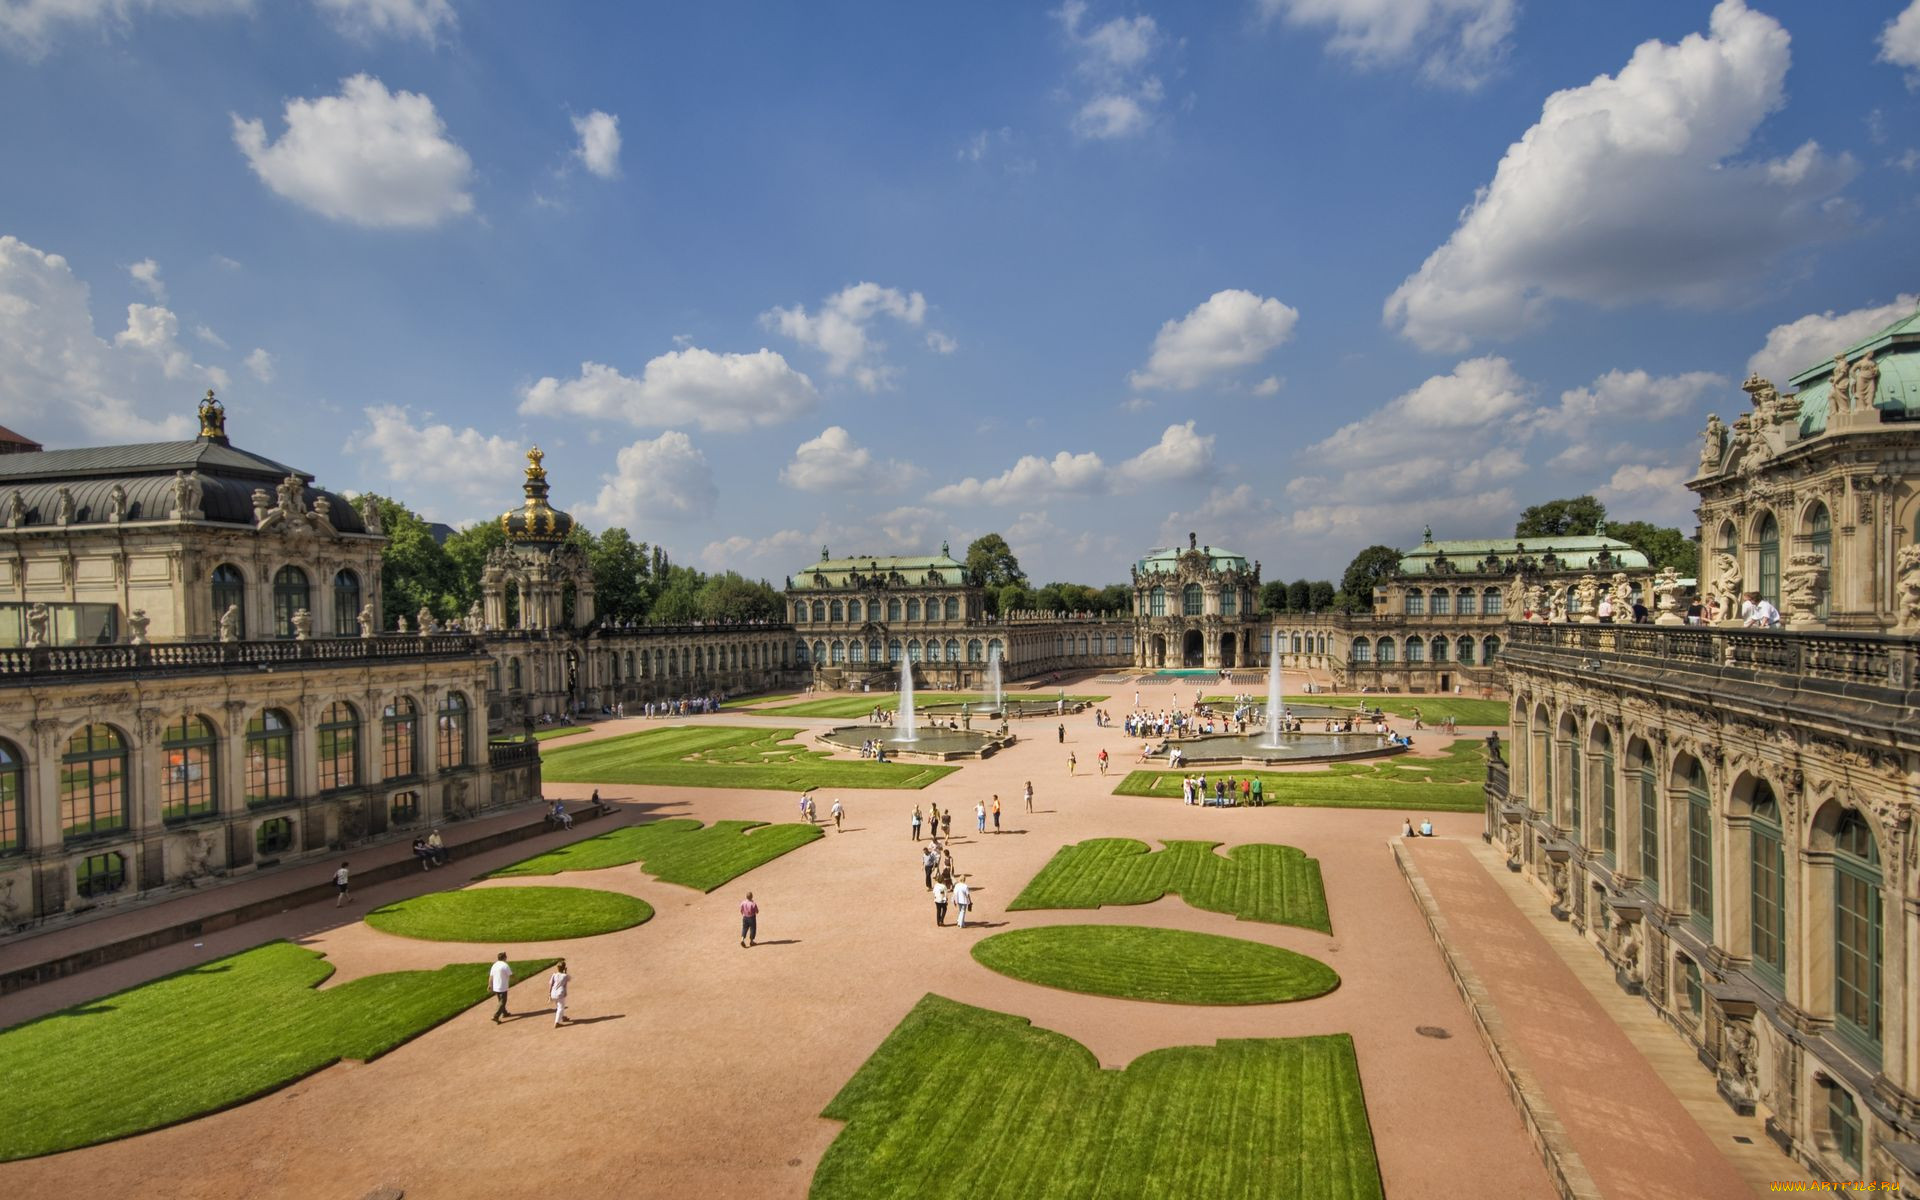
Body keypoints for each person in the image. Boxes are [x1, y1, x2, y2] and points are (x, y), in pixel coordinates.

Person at [489, 952, 513, 1022]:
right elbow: (511, 975)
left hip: (496, 987)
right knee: (503, 1001)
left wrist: (490, 985)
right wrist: (516, 979)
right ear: (504, 958)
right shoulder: (505, 965)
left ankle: (504, 1013)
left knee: (500, 1000)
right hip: (502, 986)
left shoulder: (494, 965)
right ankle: (495, 1016)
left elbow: (491, 976)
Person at [549, 960, 572, 1026]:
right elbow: (569, 979)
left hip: (553, 994)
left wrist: (549, 994)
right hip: (560, 994)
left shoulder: (554, 975)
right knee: (561, 1007)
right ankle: (557, 1022)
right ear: (564, 967)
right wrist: (565, 972)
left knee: (558, 1005)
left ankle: (562, 1017)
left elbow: (550, 984)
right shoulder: (565, 976)